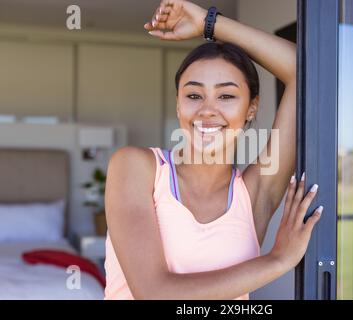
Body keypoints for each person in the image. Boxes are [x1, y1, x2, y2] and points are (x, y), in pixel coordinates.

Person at [104, 0, 323, 300]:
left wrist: (209, 24)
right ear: (179, 104)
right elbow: (154, 292)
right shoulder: (136, 167)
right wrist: (278, 260)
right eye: (194, 94)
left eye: (226, 96)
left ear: (251, 108)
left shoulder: (254, 195)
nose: (208, 111)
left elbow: (303, 71)